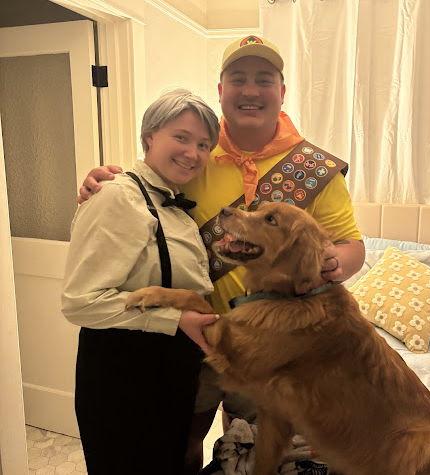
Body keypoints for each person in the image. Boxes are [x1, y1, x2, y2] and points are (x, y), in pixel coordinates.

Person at [78, 36, 365, 474]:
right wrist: (102, 181)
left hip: (270, 342)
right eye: (238, 79)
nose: (250, 90)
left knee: (246, 437)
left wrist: (335, 262)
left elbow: (352, 244)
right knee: (182, 440)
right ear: (220, 89)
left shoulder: (316, 169)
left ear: (282, 91)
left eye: (263, 80)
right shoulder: (195, 153)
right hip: (187, 333)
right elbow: (142, 194)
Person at [62, 89, 221, 475]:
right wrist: (175, 319)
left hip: (171, 370)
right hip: (124, 375)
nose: (193, 153)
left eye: (204, 144)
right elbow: (80, 302)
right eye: (181, 137)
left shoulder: (173, 200)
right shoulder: (118, 196)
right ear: (150, 136)